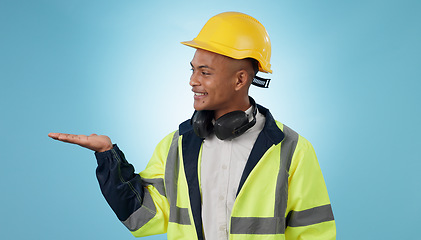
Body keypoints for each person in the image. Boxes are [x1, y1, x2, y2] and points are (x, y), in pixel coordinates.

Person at [49, 12, 336, 240]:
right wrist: (108, 157)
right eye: (193, 69)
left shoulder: (291, 149)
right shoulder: (177, 145)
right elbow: (144, 219)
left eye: (205, 72)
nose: (192, 80)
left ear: (240, 80)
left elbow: (314, 233)